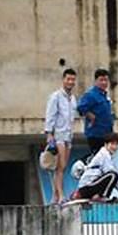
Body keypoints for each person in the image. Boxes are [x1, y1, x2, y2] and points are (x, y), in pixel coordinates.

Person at [43, 68, 78, 205]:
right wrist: (49, 133)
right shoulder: (56, 96)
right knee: (60, 166)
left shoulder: (73, 98)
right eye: (68, 79)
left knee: (63, 166)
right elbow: (50, 115)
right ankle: (60, 195)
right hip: (58, 135)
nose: (70, 82)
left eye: (72, 79)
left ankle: (55, 196)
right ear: (63, 80)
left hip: (68, 135)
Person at [74, 133, 118, 201]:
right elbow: (112, 173)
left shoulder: (108, 156)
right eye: (112, 144)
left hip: (90, 186)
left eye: (116, 144)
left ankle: (97, 196)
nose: (114, 147)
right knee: (113, 175)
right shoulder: (104, 154)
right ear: (106, 144)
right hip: (86, 187)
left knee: (113, 175)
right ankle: (103, 196)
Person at [77, 69, 114, 157]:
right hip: (96, 134)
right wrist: (90, 116)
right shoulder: (91, 95)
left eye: (106, 80)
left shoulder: (105, 96)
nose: (104, 82)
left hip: (106, 133)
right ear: (96, 81)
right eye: (101, 80)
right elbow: (81, 107)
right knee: (98, 159)